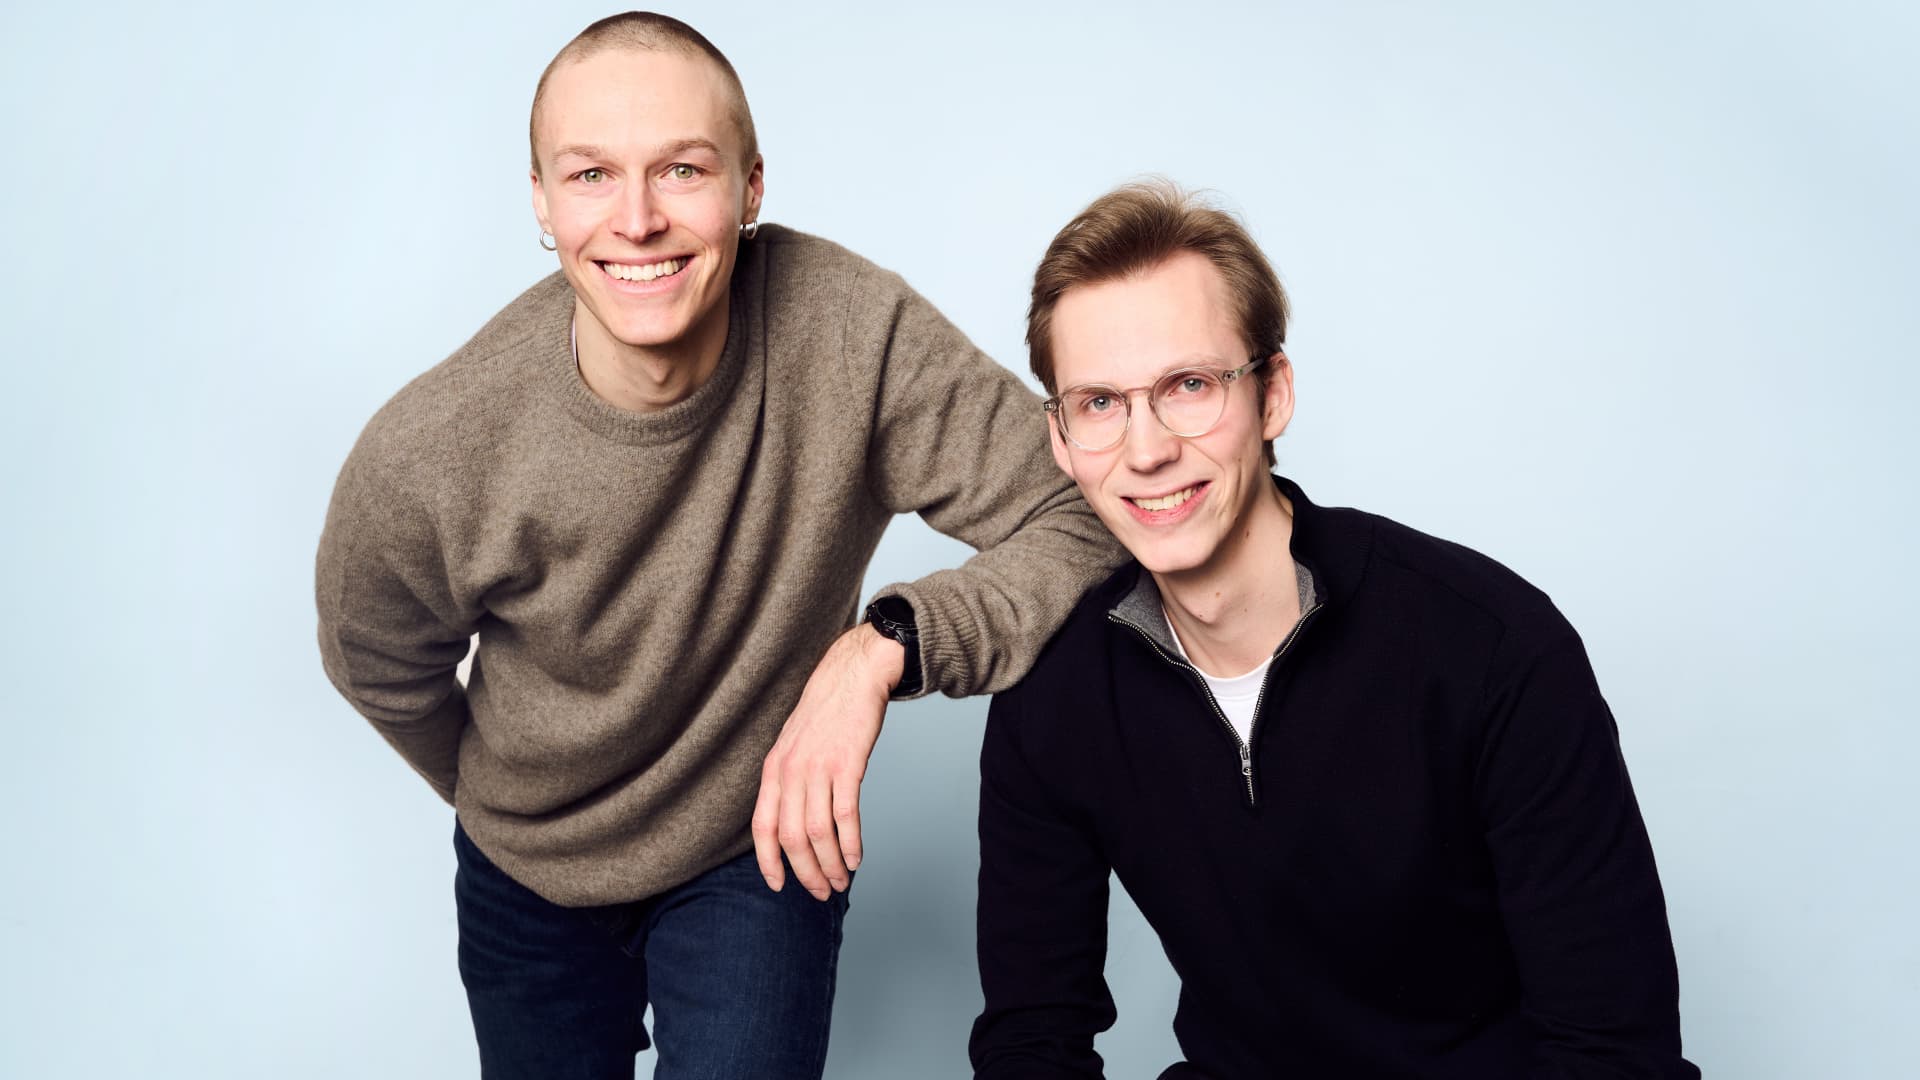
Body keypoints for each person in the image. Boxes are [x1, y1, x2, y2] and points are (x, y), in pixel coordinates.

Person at [315, 12, 1118, 1078]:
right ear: (542, 201)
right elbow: (374, 657)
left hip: (757, 842)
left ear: (750, 188)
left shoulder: (851, 334)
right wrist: (502, 791)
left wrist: (882, 648)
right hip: (527, 870)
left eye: (682, 170)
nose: (637, 219)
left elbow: (1085, 510)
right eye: (591, 175)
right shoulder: (438, 446)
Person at [971, 181, 1699, 1078]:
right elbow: (1031, 1039)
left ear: (1273, 394)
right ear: (1060, 438)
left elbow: (1616, 1054)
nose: (1146, 449)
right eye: (1098, 403)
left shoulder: (1494, 651)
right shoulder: (1054, 693)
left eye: (1189, 386)